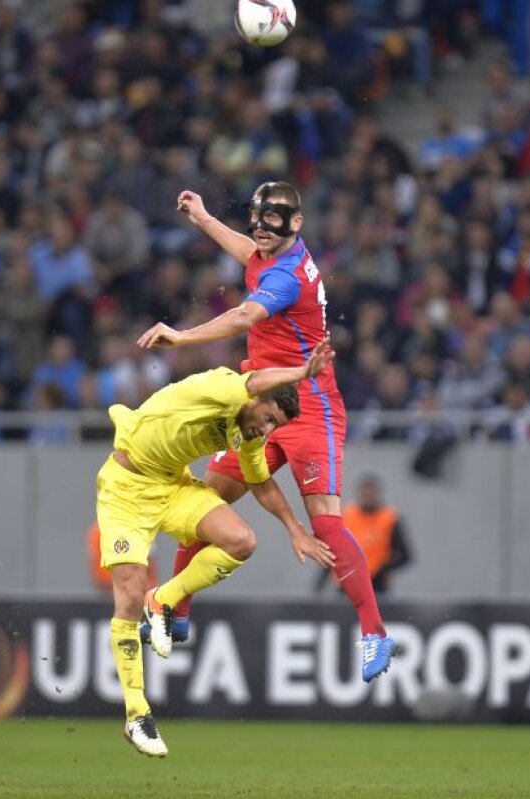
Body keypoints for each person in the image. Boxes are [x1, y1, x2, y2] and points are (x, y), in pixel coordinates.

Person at [137, 181, 397, 682]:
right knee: (204, 505)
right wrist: (205, 219)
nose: (259, 229)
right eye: (256, 219)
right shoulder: (271, 253)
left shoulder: (287, 277)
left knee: (325, 523)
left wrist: (183, 336)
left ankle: (374, 633)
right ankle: (179, 612)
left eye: (271, 220)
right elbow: (247, 253)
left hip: (308, 405)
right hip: (260, 403)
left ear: (295, 224)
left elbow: (244, 315)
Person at [99, 342, 336, 757]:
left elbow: (261, 483)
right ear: (255, 399)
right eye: (266, 418)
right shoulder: (225, 387)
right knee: (128, 596)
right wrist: (302, 372)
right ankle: (137, 714)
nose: (264, 431)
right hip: (126, 490)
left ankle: (164, 599)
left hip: (172, 485)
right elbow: (256, 379)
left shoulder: (246, 433)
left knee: (242, 540)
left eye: (273, 427)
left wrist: (294, 528)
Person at [318, 475, 413, 595]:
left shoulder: (389, 519)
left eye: (371, 492)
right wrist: (320, 583)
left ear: (377, 493)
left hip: (377, 586)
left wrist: (383, 569)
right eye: (365, 492)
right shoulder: (346, 516)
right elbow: (331, 551)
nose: (368, 496)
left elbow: (406, 556)